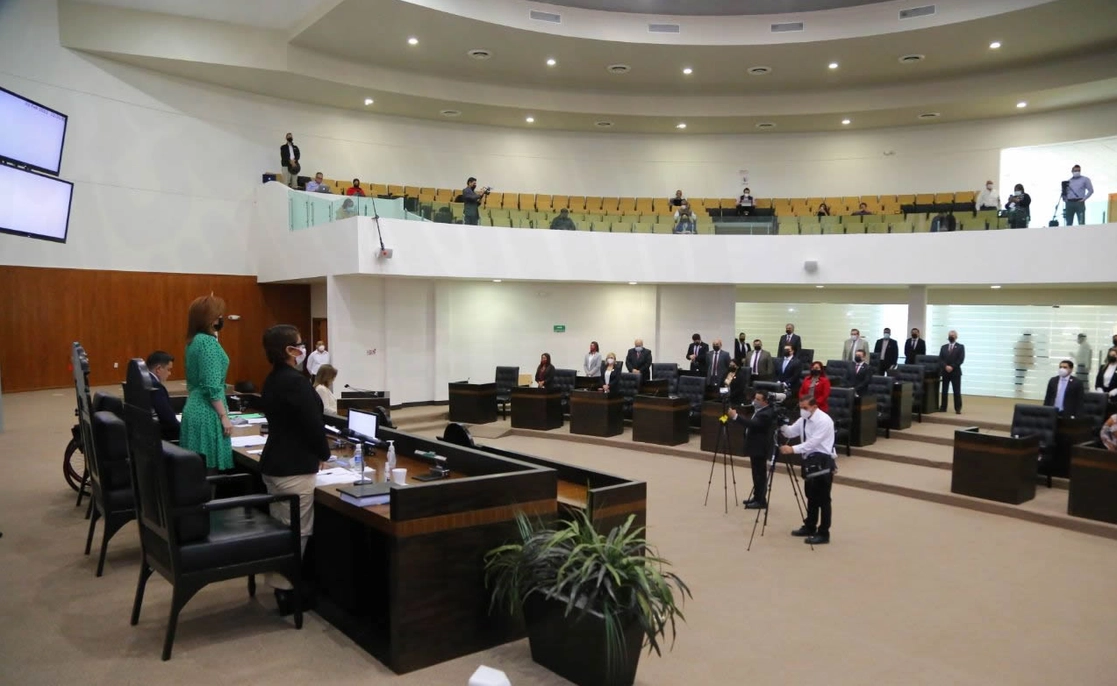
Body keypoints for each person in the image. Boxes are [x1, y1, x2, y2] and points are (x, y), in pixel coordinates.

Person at [259, 324, 331, 614]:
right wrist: (324, 453)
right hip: (294, 468)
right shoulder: (294, 382)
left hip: (276, 463)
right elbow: (311, 423)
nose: (304, 348)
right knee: (296, 532)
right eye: (300, 344)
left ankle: (283, 586)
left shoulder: (274, 378)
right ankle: (287, 592)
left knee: (282, 526)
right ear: (289, 350)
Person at [180, 294, 232, 471]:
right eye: (218, 314)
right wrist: (224, 416)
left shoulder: (193, 341)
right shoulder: (207, 343)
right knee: (208, 472)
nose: (220, 318)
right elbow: (211, 386)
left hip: (194, 407)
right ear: (209, 318)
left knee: (195, 471)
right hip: (207, 412)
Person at [779, 395, 836, 545]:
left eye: (805, 408)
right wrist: (782, 423)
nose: (802, 411)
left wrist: (792, 449)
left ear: (814, 407)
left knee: (823, 499)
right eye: (801, 408)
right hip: (809, 461)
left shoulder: (824, 421)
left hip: (823, 461)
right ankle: (810, 525)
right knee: (811, 496)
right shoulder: (804, 419)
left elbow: (813, 442)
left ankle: (824, 533)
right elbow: (790, 432)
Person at [728, 392, 777, 510]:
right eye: (755, 398)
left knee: (760, 475)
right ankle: (756, 497)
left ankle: (761, 501)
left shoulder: (766, 413)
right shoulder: (760, 410)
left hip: (760, 448)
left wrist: (736, 416)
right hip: (755, 447)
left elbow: (752, 424)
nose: (755, 401)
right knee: (756, 474)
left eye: (758, 399)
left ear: (765, 401)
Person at [145, 350, 180, 441]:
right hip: (162, 438)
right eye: (168, 370)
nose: (169, 373)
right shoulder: (156, 387)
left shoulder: (142, 381)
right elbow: (169, 420)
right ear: (158, 369)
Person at [939, 330, 965, 414]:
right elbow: (940, 359)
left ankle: (958, 408)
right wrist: (945, 366)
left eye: (953, 335)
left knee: (956, 391)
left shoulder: (960, 347)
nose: (951, 336)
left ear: (956, 337)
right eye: (950, 335)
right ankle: (943, 407)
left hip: (955, 372)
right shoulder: (943, 347)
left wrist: (952, 366)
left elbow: (960, 359)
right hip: (945, 371)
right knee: (944, 390)